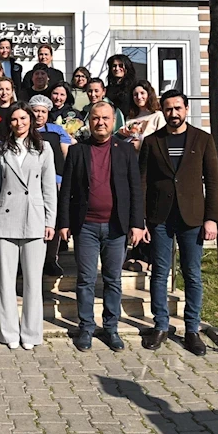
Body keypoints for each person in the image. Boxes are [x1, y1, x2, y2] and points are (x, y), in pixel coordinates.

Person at [57, 102, 145, 353]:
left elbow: (135, 190)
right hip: (86, 226)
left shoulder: (125, 151)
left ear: (113, 121)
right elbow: (68, 191)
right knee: (85, 279)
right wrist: (64, 222)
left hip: (116, 227)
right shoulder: (77, 151)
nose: (101, 123)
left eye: (106, 118)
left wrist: (137, 224)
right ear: (89, 121)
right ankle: (86, 327)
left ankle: (111, 328)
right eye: (96, 118)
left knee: (112, 280)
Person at [139, 90, 218, 356]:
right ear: (162, 111)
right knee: (160, 274)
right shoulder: (152, 142)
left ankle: (192, 330)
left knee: (192, 274)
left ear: (186, 109)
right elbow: (142, 182)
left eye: (177, 108)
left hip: (193, 218)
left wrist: (212, 218)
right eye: (168, 109)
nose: (173, 113)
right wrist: (141, 219)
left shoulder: (203, 139)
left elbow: (213, 180)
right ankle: (160, 326)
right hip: (160, 217)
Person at [0, 102, 57, 350]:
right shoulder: (0, 149)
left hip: (34, 219)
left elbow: (49, 188)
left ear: (31, 119)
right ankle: (7, 333)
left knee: (32, 281)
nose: (19, 123)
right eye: (14, 119)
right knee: (6, 281)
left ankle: (31, 333)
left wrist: (50, 220)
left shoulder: (44, 148)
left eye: (23, 118)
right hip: (6, 218)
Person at [29, 95, 73, 277]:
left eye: (43, 112)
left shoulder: (56, 131)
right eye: (36, 111)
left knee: (51, 222)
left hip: (54, 181)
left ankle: (50, 260)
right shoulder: (23, 129)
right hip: (30, 182)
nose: (39, 115)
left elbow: (67, 154)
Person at [116, 80, 166, 152]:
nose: (139, 97)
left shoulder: (157, 116)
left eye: (142, 93)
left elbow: (161, 143)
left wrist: (141, 146)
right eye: (135, 94)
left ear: (149, 95)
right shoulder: (130, 118)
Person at [106, 54, 136, 118]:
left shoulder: (134, 87)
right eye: (114, 66)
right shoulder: (108, 89)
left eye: (120, 66)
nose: (117, 68)